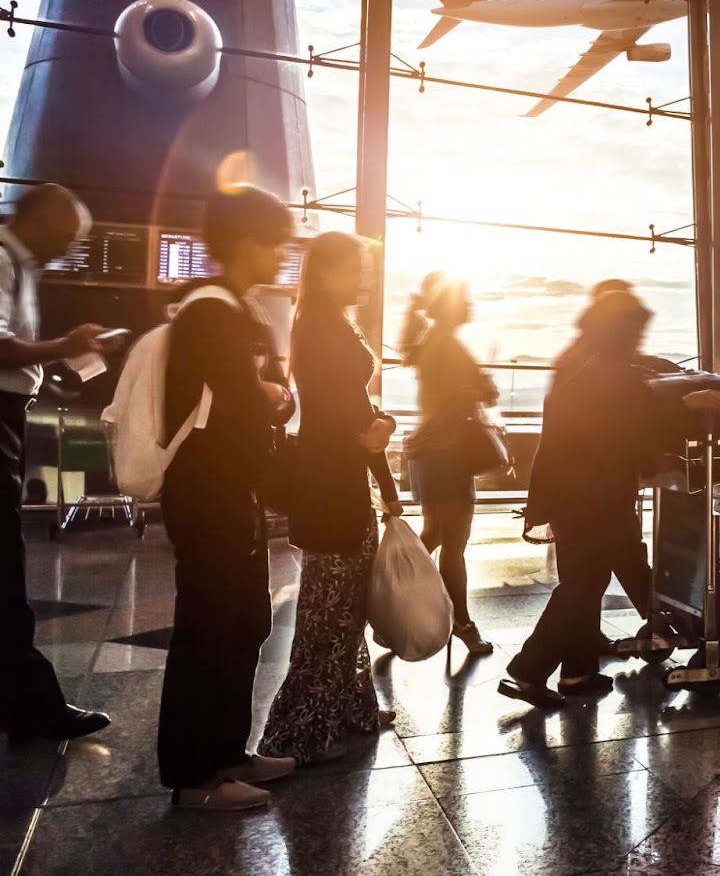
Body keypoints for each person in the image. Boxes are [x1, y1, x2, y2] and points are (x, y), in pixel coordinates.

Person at [501, 289, 720, 708]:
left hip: (578, 492)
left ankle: (577, 672)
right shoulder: (601, 366)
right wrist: (688, 401)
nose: (639, 340)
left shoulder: (585, 355)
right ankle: (528, 670)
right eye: (636, 331)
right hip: (592, 493)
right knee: (583, 585)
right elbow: (626, 414)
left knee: (589, 578)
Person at [158, 185, 297, 811]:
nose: (282, 254)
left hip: (228, 490)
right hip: (207, 490)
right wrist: (270, 399)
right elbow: (246, 401)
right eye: (276, 242)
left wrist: (273, 398)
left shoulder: (234, 309)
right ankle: (193, 776)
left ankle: (228, 753)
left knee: (245, 621)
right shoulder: (210, 311)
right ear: (249, 242)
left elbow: (266, 395)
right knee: (209, 628)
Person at [259, 233, 400, 767]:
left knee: (343, 604)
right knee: (329, 609)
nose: (364, 277)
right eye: (355, 268)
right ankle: (299, 730)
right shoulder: (322, 327)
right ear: (326, 271)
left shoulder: (328, 322)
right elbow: (347, 414)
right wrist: (378, 432)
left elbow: (357, 411)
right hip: (331, 482)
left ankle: (348, 709)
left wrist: (380, 428)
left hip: (336, 477)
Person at [0, 184, 118, 743]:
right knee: (3, 562)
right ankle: (32, 706)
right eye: (67, 234)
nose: (70, 247)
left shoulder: (21, 268)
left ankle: (25, 701)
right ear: (39, 219)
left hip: (9, 413)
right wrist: (62, 346)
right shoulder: (1, 259)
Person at [401, 275, 498, 656]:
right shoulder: (451, 347)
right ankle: (462, 622)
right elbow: (480, 394)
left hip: (430, 453)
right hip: (449, 455)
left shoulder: (430, 343)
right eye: (465, 299)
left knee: (436, 534)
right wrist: (479, 388)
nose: (470, 304)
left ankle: (394, 604)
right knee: (454, 543)